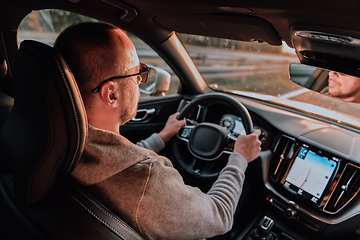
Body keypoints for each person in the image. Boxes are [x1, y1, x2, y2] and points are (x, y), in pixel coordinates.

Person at [54, 22, 261, 240]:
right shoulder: (147, 179)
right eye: (137, 74)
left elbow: (117, 162)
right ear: (111, 94)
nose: (139, 82)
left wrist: (161, 137)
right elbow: (220, 215)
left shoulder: (59, 140)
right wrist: (239, 158)